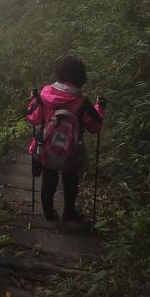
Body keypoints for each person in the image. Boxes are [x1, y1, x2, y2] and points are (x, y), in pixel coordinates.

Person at [26, 54, 106, 222]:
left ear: (60, 73)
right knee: (70, 178)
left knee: (49, 177)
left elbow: (33, 117)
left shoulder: (46, 93)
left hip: (47, 148)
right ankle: (69, 211)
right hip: (71, 151)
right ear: (81, 78)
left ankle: (48, 212)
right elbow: (95, 126)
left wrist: (33, 99)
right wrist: (100, 107)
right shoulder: (82, 102)